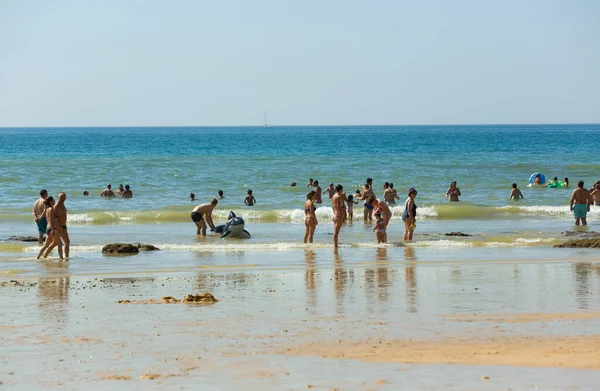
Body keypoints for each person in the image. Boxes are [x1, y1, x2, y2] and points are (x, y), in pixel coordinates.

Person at [48, 192, 70, 259]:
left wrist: (64, 225)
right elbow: (54, 218)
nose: (63, 199)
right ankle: (61, 257)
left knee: (65, 242)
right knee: (59, 243)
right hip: (58, 227)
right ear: (58, 198)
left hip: (63, 226)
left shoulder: (63, 204)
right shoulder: (56, 205)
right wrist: (59, 227)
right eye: (61, 197)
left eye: (64, 197)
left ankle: (66, 256)